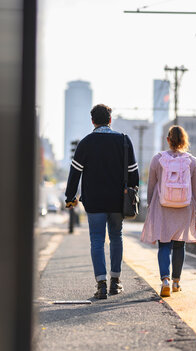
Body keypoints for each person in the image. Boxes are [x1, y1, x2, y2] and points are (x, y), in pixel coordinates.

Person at [65, 104, 139, 299]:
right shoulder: (123, 140)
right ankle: (116, 282)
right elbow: (133, 172)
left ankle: (101, 285)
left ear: (93, 121)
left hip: (95, 201)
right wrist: (132, 190)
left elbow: (75, 173)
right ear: (110, 120)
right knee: (116, 237)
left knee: (97, 241)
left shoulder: (86, 143)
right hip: (117, 201)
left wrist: (70, 197)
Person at [141, 125, 196, 297]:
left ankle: (165, 280)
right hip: (184, 208)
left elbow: (151, 188)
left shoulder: (157, 159)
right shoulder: (192, 161)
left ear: (167, 140)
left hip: (163, 207)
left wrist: (150, 211)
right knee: (179, 244)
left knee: (164, 245)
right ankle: (176, 282)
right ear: (184, 141)